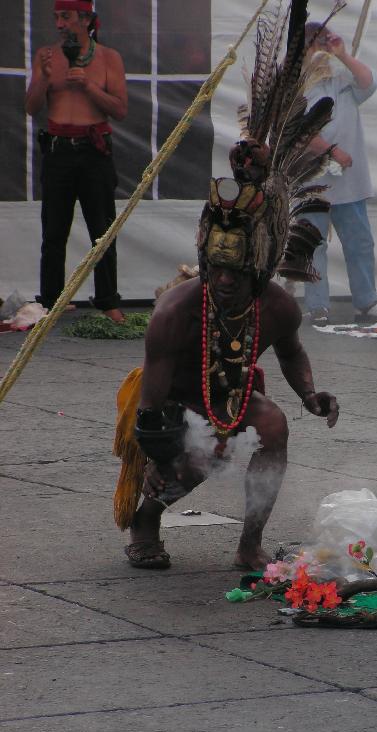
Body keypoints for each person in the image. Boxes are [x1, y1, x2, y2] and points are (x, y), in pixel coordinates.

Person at [113, 1, 340, 572]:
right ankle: (146, 520)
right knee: (198, 452)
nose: (223, 284)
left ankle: (248, 542)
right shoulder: (176, 312)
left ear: (259, 271)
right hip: (177, 406)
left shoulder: (277, 306)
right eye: (214, 272)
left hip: (235, 395)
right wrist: (165, 447)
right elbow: (153, 409)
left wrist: (311, 395)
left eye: (235, 276)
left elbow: (291, 352)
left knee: (274, 425)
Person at [25, 0, 127, 323]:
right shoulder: (47, 55)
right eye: (56, 18)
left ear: (85, 19)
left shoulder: (110, 57)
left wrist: (88, 86)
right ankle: (51, 301)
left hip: (94, 149)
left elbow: (120, 109)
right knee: (53, 230)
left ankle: (108, 300)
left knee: (103, 230)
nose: (59, 24)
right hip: (57, 149)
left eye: (65, 17)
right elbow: (30, 107)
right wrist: (42, 77)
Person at [301, 22, 377, 327]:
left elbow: (370, 83)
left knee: (359, 243)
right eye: (317, 44)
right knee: (313, 244)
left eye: (326, 43)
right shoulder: (294, 84)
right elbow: (297, 132)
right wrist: (330, 151)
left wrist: (343, 54)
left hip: (349, 182)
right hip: (311, 181)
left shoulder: (343, 76)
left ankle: (367, 303)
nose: (322, 51)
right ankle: (318, 306)